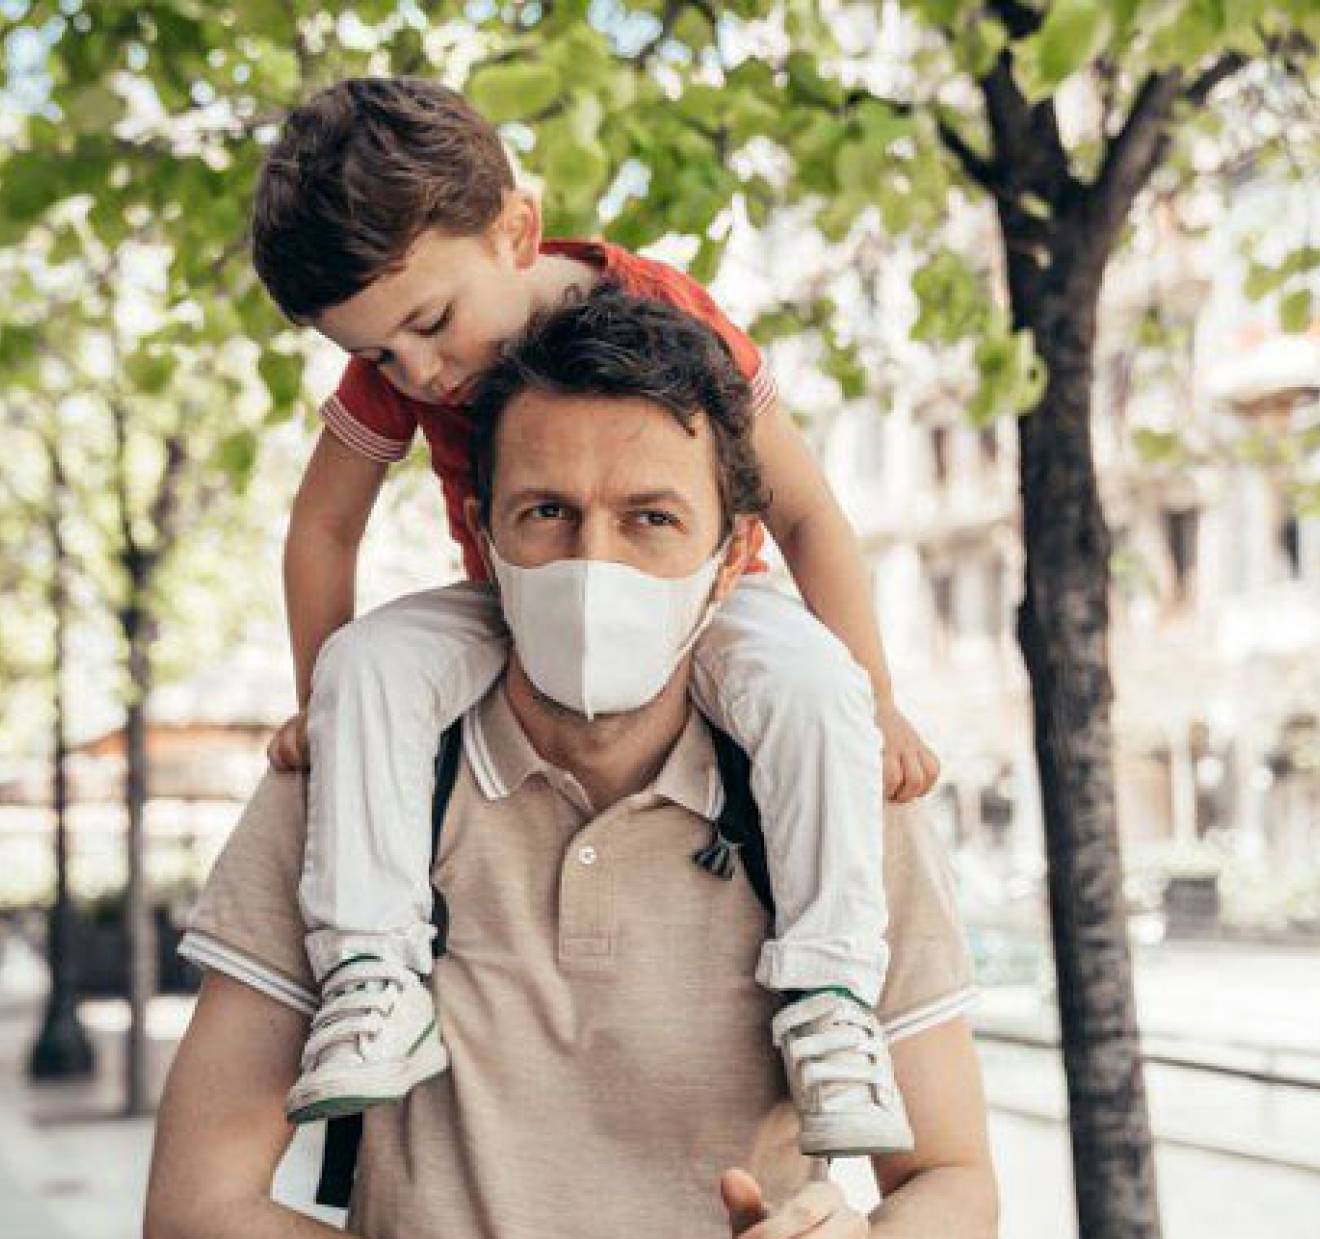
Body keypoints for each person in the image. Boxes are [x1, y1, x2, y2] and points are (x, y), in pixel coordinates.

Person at [144, 289, 996, 1239]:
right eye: (547, 513)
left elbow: (955, 1193)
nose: (595, 567)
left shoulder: (831, 800)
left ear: (732, 558)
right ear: (481, 534)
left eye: (652, 518)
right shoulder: (346, 797)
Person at [252, 75, 941, 1152]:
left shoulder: (664, 312)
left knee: (814, 692)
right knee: (370, 668)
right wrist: (317, 705)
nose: (419, 371)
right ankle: (374, 977)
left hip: (702, 604)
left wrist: (880, 701)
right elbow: (321, 531)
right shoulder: (404, 355)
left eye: (429, 326)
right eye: (381, 353)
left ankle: (830, 999)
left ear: (514, 231)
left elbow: (805, 510)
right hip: (514, 602)